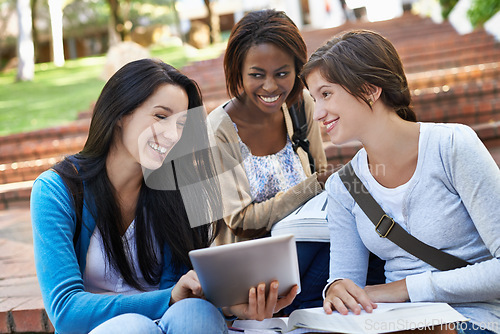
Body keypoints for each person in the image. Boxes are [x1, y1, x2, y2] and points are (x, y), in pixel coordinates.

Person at [30, 58, 297, 334]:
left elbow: (185, 295)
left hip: (172, 325)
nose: (172, 135)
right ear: (120, 114)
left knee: (196, 313)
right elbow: (65, 311)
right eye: (160, 117)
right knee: (135, 328)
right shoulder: (56, 191)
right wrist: (166, 299)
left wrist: (231, 306)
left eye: (181, 124)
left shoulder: (175, 191)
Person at [301, 29, 500, 333]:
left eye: (326, 94)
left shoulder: (451, 146)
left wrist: (404, 288)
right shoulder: (345, 185)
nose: (318, 113)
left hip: (476, 316)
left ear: (369, 89)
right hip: (394, 320)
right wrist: (337, 289)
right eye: (314, 99)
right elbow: (348, 283)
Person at [206, 9, 331, 314]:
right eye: (257, 74)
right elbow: (241, 221)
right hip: (248, 272)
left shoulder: (300, 108)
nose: (271, 87)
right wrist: (311, 187)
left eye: (282, 73)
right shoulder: (218, 129)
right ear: (239, 72)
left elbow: (322, 179)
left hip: (307, 249)